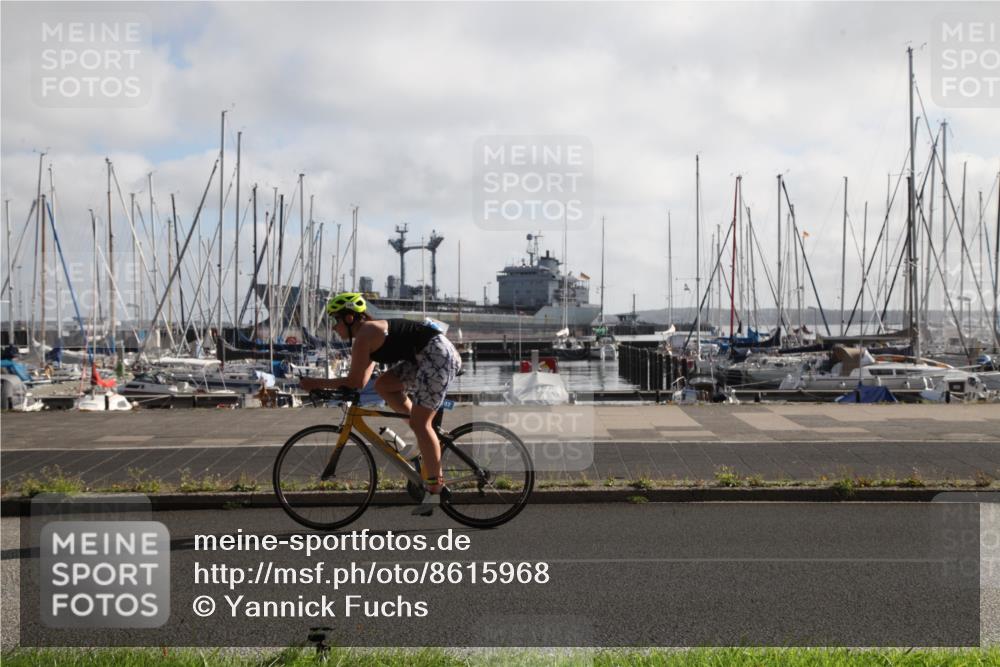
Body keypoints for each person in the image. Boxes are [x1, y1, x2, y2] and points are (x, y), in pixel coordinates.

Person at [324, 292, 462, 501]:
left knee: (421, 423)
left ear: (349, 318)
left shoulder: (366, 334)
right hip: (425, 356)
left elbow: (352, 381)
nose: (334, 327)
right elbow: (361, 382)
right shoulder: (368, 336)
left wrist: (313, 383)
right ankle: (423, 437)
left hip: (438, 356)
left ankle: (435, 488)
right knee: (384, 385)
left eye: (336, 320)